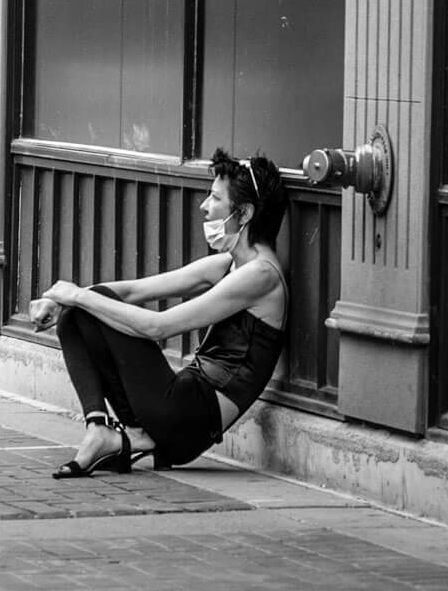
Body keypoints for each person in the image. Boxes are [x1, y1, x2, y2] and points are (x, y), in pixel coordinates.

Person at [29, 149, 289, 478]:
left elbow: (158, 327)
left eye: (215, 199)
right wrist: (61, 300)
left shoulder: (261, 276)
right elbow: (134, 291)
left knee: (86, 304)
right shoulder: (230, 265)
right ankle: (103, 430)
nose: (204, 207)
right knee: (79, 310)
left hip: (189, 418)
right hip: (179, 407)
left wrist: (78, 296)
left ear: (245, 212)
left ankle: (112, 435)